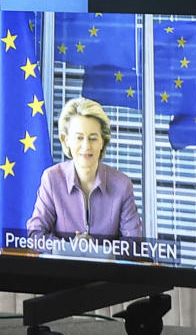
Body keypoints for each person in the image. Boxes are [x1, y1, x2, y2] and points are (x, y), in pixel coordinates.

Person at [26, 97, 143, 240]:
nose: (86, 146)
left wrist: (96, 250)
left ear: (103, 141)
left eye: (93, 138)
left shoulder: (122, 185)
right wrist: (70, 248)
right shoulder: (52, 179)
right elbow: (35, 234)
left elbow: (135, 243)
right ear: (66, 140)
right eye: (79, 138)